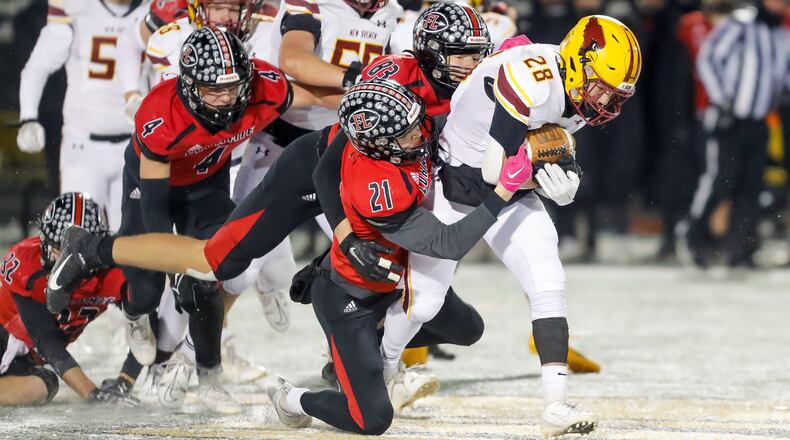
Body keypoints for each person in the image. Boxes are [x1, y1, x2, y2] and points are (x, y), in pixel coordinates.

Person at [45, 1, 492, 411]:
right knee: (216, 260)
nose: (474, 67)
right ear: (433, 53)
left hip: (357, 186)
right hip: (308, 170)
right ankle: (96, 250)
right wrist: (342, 233)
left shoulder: (469, 90)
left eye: (479, 56)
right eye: (464, 56)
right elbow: (327, 164)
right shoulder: (390, 83)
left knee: (439, 307)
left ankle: (350, 345)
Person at [387, 15, 642, 437]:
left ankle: (556, 404)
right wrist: (547, 178)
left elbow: (548, 146)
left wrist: (567, 176)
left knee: (548, 279)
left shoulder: (576, 90)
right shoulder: (530, 77)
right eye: (601, 85)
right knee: (426, 304)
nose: (605, 100)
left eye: (616, 94)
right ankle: (379, 369)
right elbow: (494, 169)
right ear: (579, 62)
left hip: (511, 184)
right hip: (457, 179)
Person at [263, 79, 534, 436]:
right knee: (372, 419)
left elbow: (326, 171)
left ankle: (362, 359)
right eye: (406, 135)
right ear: (379, 146)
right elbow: (447, 242)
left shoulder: (373, 130)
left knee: (469, 328)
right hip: (352, 300)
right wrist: (503, 191)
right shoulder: (379, 187)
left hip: (395, 278)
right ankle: (293, 399)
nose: (419, 136)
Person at [676, 0, 790, 269]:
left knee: (751, 187)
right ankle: (692, 237)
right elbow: (707, 58)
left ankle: (742, 250)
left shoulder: (780, 32)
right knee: (720, 181)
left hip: (760, 120)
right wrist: (722, 98)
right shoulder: (741, 23)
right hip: (730, 118)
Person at [16, 0, 148, 230]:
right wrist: (28, 116)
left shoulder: (154, 9)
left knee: (132, 245)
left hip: (136, 146)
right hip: (84, 149)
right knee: (77, 237)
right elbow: (39, 65)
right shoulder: (77, 7)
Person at [0, 193, 136, 407]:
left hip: (21, 360)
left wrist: (125, 380)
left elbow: (145, 325)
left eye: (76, 252)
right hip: (7, 341)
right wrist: (93, 395)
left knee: (44, 385)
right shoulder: (28, 265)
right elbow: (48, 342)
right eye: (59, 250)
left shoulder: (112, 275)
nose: (67, 259)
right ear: (43, 241)